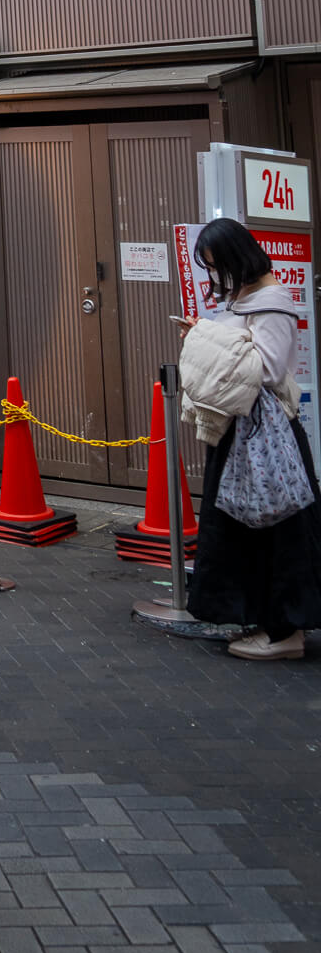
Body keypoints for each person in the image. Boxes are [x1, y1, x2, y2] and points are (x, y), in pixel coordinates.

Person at [185, 217, 321, 660]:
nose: (215, 276)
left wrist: (205, 341)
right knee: (249, 529)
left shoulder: (273, 300)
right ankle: (265, 622)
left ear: (237, 257)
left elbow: (267, 368)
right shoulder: (245, 296)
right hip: (242, 433)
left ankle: (286, 632)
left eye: (218, 264)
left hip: (268, 437)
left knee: (277, 530)